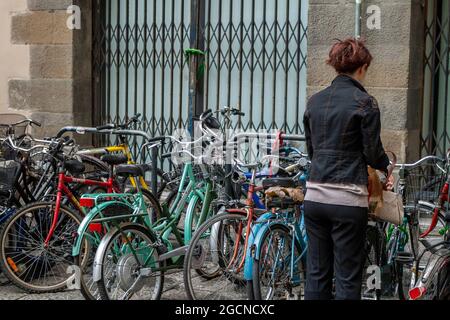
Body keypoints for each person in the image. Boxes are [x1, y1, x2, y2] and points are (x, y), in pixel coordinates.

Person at [302, 37, 390, 300]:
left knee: (316, 275)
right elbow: (373, 154)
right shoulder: (365, 102)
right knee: (347, 279)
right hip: (348, 200)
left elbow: (312, 151)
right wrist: (387, 166)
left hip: (314, 196)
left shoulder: (314, 102)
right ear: (361, 68)